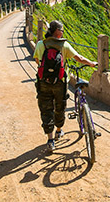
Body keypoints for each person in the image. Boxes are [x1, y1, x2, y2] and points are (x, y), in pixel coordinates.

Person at [33, 20, 97, 151]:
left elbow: (37, 60)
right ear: (57, 31)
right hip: (60, 82)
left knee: (46, 109)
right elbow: (78, 58)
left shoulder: (41, 44)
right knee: (59, 107)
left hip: (43, 81)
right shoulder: (64, 45)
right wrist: (91, 63)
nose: (62, 32)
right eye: (61, 30)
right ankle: (58, 130)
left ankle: (50, 140)